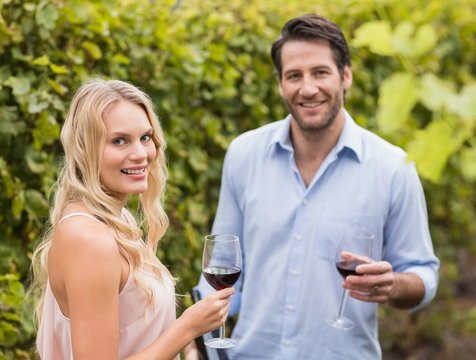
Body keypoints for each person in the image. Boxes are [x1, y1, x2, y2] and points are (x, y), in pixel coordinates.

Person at [189, 14, 440, 359]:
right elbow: (223, 270)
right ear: (280, 84)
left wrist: (394, 285)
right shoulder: (243, 154)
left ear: (345, 76)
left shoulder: (393, 168)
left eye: (320, 72)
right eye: (294, 75)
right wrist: (196, 344)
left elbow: (423, 274)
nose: (307, 88)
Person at [29, 79, 234, 360]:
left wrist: (187, 349)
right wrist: (187, 328)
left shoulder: (117, 219)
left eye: (145, 137)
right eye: (119, 141)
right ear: (85, 148)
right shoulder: (89, 239)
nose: (140, 154)